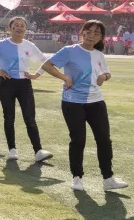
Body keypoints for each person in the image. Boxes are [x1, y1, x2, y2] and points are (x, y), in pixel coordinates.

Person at [40, 20, 128, 191]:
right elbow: (47, 65)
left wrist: (104, 77)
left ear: (101, 37)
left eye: (96, 33)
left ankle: (108, 179)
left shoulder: (99, 54)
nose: (91, 35)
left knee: (104, 140)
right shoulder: (69, 51)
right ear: (82, 32)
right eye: (89, 31)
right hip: (73, 102)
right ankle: (77, 177)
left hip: (96, 101)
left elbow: (106, 72)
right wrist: (64, 77)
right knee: (78, 140)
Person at [0, 17, 53, 163]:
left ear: (26, 29)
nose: (19, 28)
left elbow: (46, 62)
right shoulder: (1, 45)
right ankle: (12, 150)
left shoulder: (29, 45)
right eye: (16, 25)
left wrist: (36, 74)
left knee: (30, 118)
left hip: (25, 84)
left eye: (22, 25)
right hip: (7, 83)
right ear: (9, 29)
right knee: (9, 117)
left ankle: (38, 151)